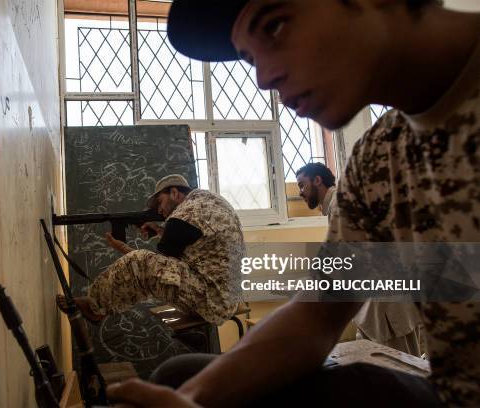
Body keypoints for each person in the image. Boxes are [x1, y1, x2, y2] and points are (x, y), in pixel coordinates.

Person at [105, 0, 480, 406]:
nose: (264, 78)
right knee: (182, 378)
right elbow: (318, 313)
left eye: (276, 27)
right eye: (249, 58)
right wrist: (194, 400)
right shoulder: (378, 156)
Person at [66, 174, 245, 326]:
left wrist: (126, 249)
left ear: (174, 193)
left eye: (160, 202)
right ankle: (100, 305)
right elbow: (193, 249)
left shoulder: (187, 212)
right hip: (221, 297)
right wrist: (160, 231)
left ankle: (95, 307)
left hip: (212, 302)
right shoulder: (208, 203)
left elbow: (159, 267)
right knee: (143, 263)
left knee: (140, 261)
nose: (160, 211)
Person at [297, 162, 426, 356]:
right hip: (380, 300)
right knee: (379, 364)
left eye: (302, 184)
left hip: (386, 304)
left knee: (401, 367)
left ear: (317, 180)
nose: (300, 192)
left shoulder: (340, 203)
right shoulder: (339, 203)